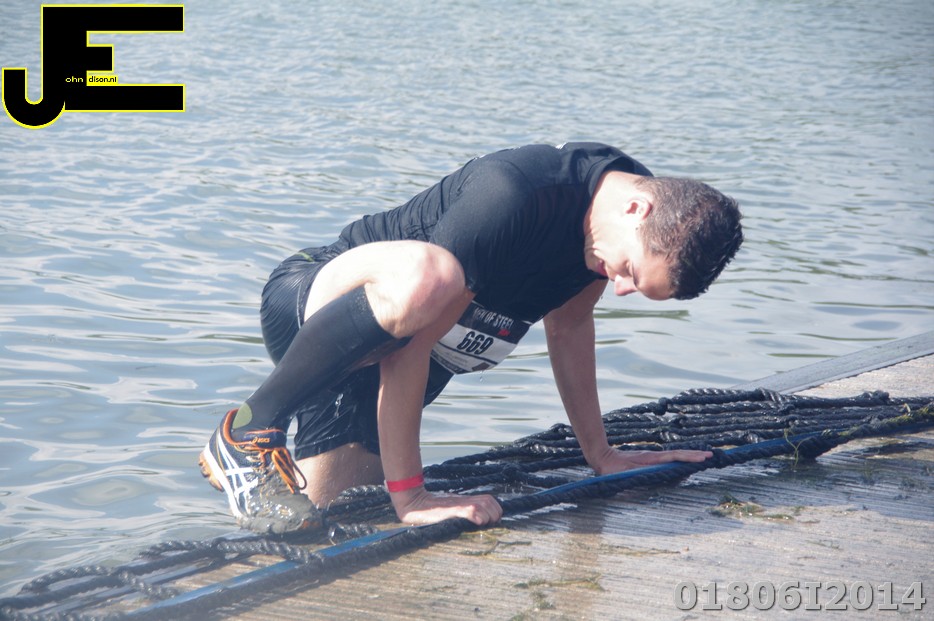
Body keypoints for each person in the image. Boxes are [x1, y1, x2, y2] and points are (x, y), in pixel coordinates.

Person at [199, 142, 744, 534]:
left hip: (395, 362)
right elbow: (410, 347)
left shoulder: (623, 212)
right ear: (637, 209)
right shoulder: (515, 193)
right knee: (433, 276)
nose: (619, 287)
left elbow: (571, 325)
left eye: (633, 286)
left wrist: (600, 455)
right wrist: (412, 496)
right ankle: (245, 430)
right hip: (320, 300)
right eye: (628, 271)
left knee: (321, 519)